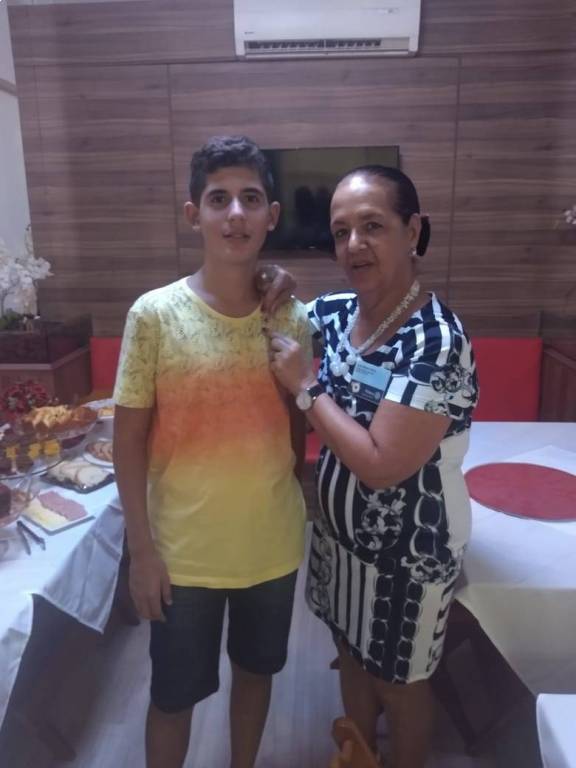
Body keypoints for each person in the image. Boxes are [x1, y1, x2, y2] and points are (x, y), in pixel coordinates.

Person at [265, 165, 479, 768]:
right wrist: (271, 278)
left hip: (410, 551)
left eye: (372, 226)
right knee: (352, 657)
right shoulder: (335, 312)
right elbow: (271, 316)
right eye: (341, 232)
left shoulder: (435, 341)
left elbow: (383, 466)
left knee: (400, 685)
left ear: (412, 231)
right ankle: (357, 756)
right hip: (341, 540)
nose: (354, 244)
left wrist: (307, 388)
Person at [112, 135, 312, 768]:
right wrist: (142, 552)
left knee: (257, 675)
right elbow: (127, 440)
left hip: (270, 547)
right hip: (182, 557)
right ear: (193, 213)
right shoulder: (153, 316)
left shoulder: (292, 319)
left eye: (250, 198)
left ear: (271, 215)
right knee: (173, 697)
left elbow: (298, 428)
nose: (235, 214)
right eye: (218, 198)